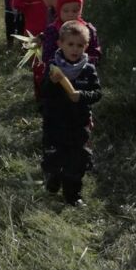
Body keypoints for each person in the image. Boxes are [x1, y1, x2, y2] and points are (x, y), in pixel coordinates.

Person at [40, 20, 102, 207]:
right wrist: (51, 82)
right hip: (56, 123)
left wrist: (81, 95)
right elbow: (44, 93)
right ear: (60, 44)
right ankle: (54, 178)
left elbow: (97, 93)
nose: (75, 49)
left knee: (78, 159)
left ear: (86, 46)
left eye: (80, 45)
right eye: (70, 44)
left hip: (78, 123)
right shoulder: (53, 68)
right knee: (55, 157)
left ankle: (73, 195)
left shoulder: (88, 70)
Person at [40, 0, 101, 67]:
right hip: (58, 75)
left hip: (83, 74)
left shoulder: (88, 30)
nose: (70, 14)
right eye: (66, 10)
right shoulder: (53, 30)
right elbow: (47, 56)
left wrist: (82, 64)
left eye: (75, 11)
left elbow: (95, 54)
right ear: (58, 9)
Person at [13, 0, 50, 99]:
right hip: (33, 37)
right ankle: (40, 96)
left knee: (50, 67)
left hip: (50, 35)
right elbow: (16, 4)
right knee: (38, 68)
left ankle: (49, 97)